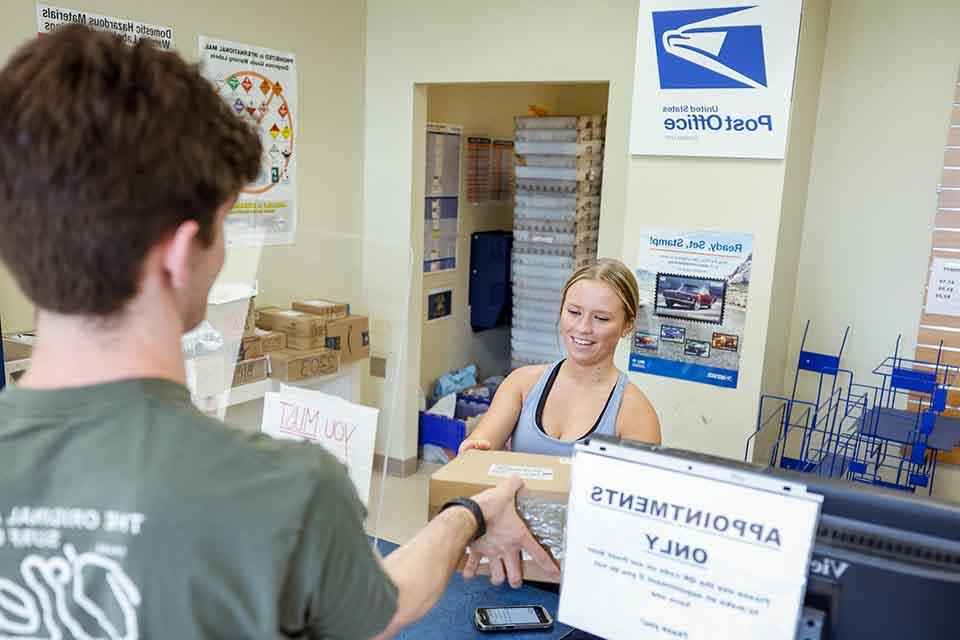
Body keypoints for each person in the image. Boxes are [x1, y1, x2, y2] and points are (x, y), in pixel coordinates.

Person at [0, 26, 557, 640]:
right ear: (183, 254)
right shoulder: (284, 492)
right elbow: (385, 608)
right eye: (224, 228)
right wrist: (469, 516)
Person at [460, 259, 661, 457]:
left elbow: (638, 486)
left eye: (601, 318)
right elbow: (481, 445)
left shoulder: (636, 412)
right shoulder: (522, 384)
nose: (583, 328)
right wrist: (473, 452)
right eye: (574, 312)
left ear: (627, 326)